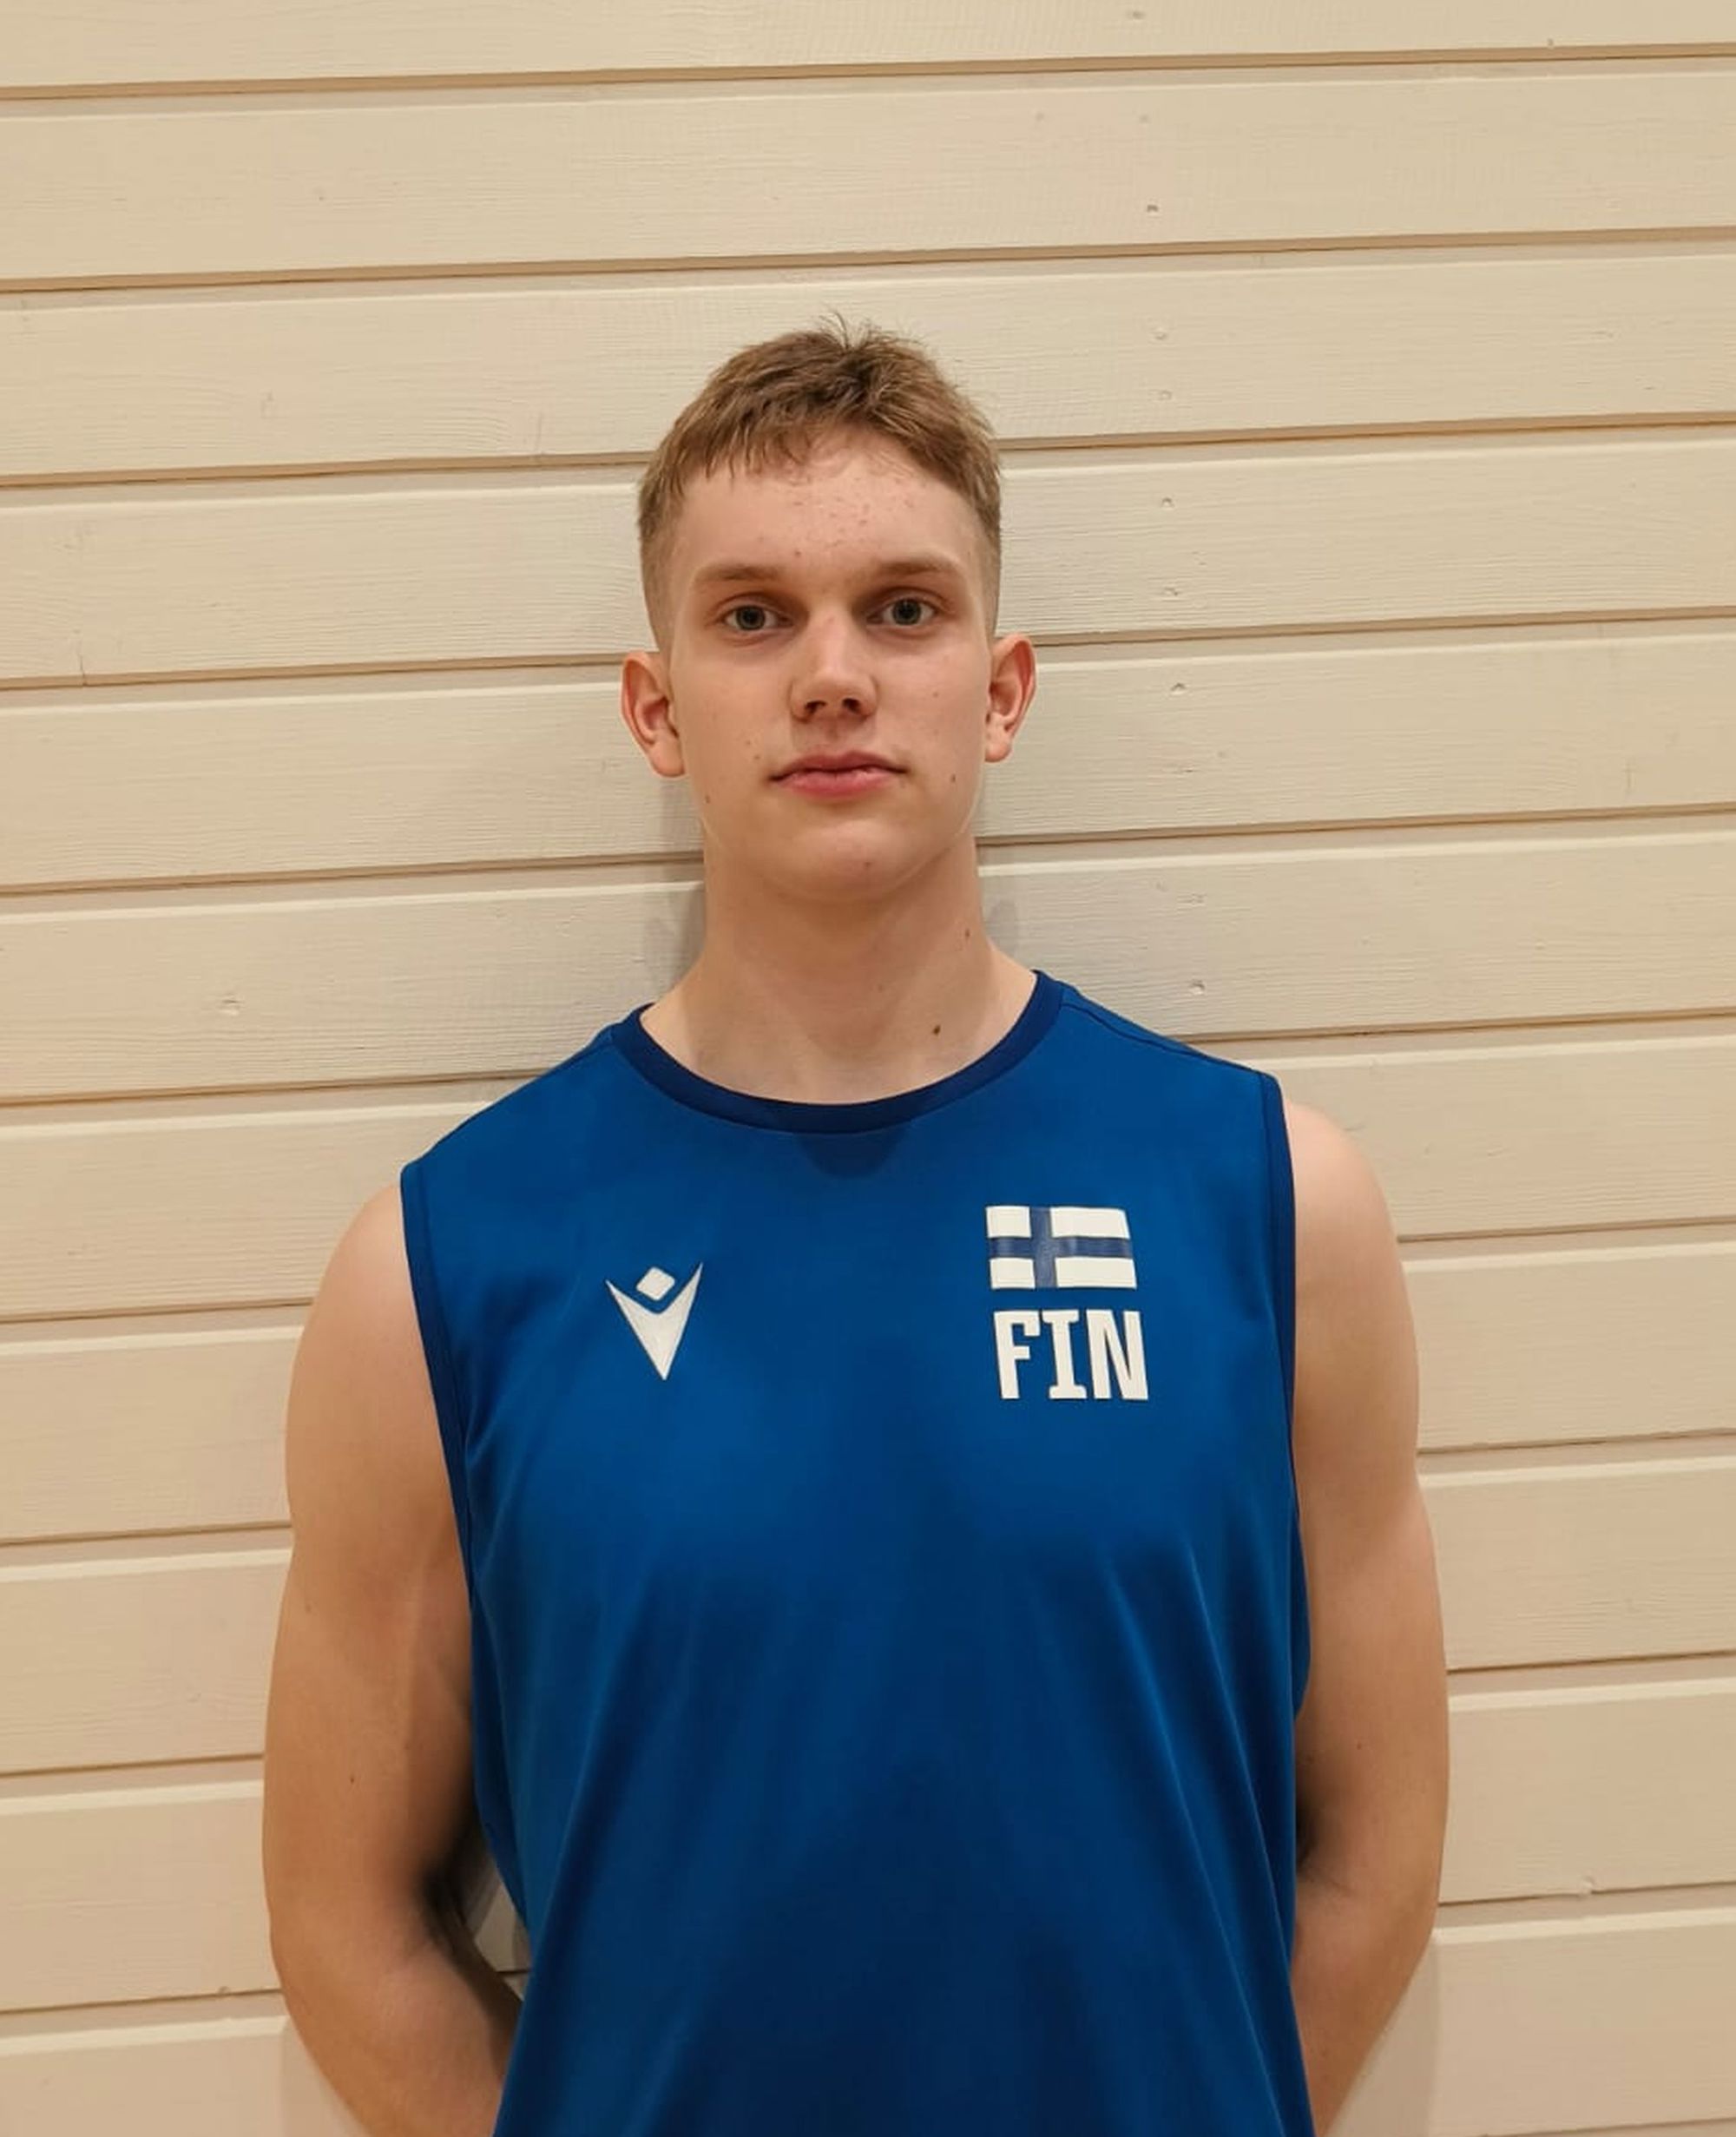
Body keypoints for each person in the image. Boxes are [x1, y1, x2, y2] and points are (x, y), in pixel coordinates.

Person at [262, 318, 1449, 2137]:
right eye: (753, 616)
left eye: (904, 609)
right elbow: (345, 1922)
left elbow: (1374, 1847)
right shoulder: (443, 1268)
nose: (833, 675)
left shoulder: (1273, 1205)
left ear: (1002, 690)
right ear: (658, 708)